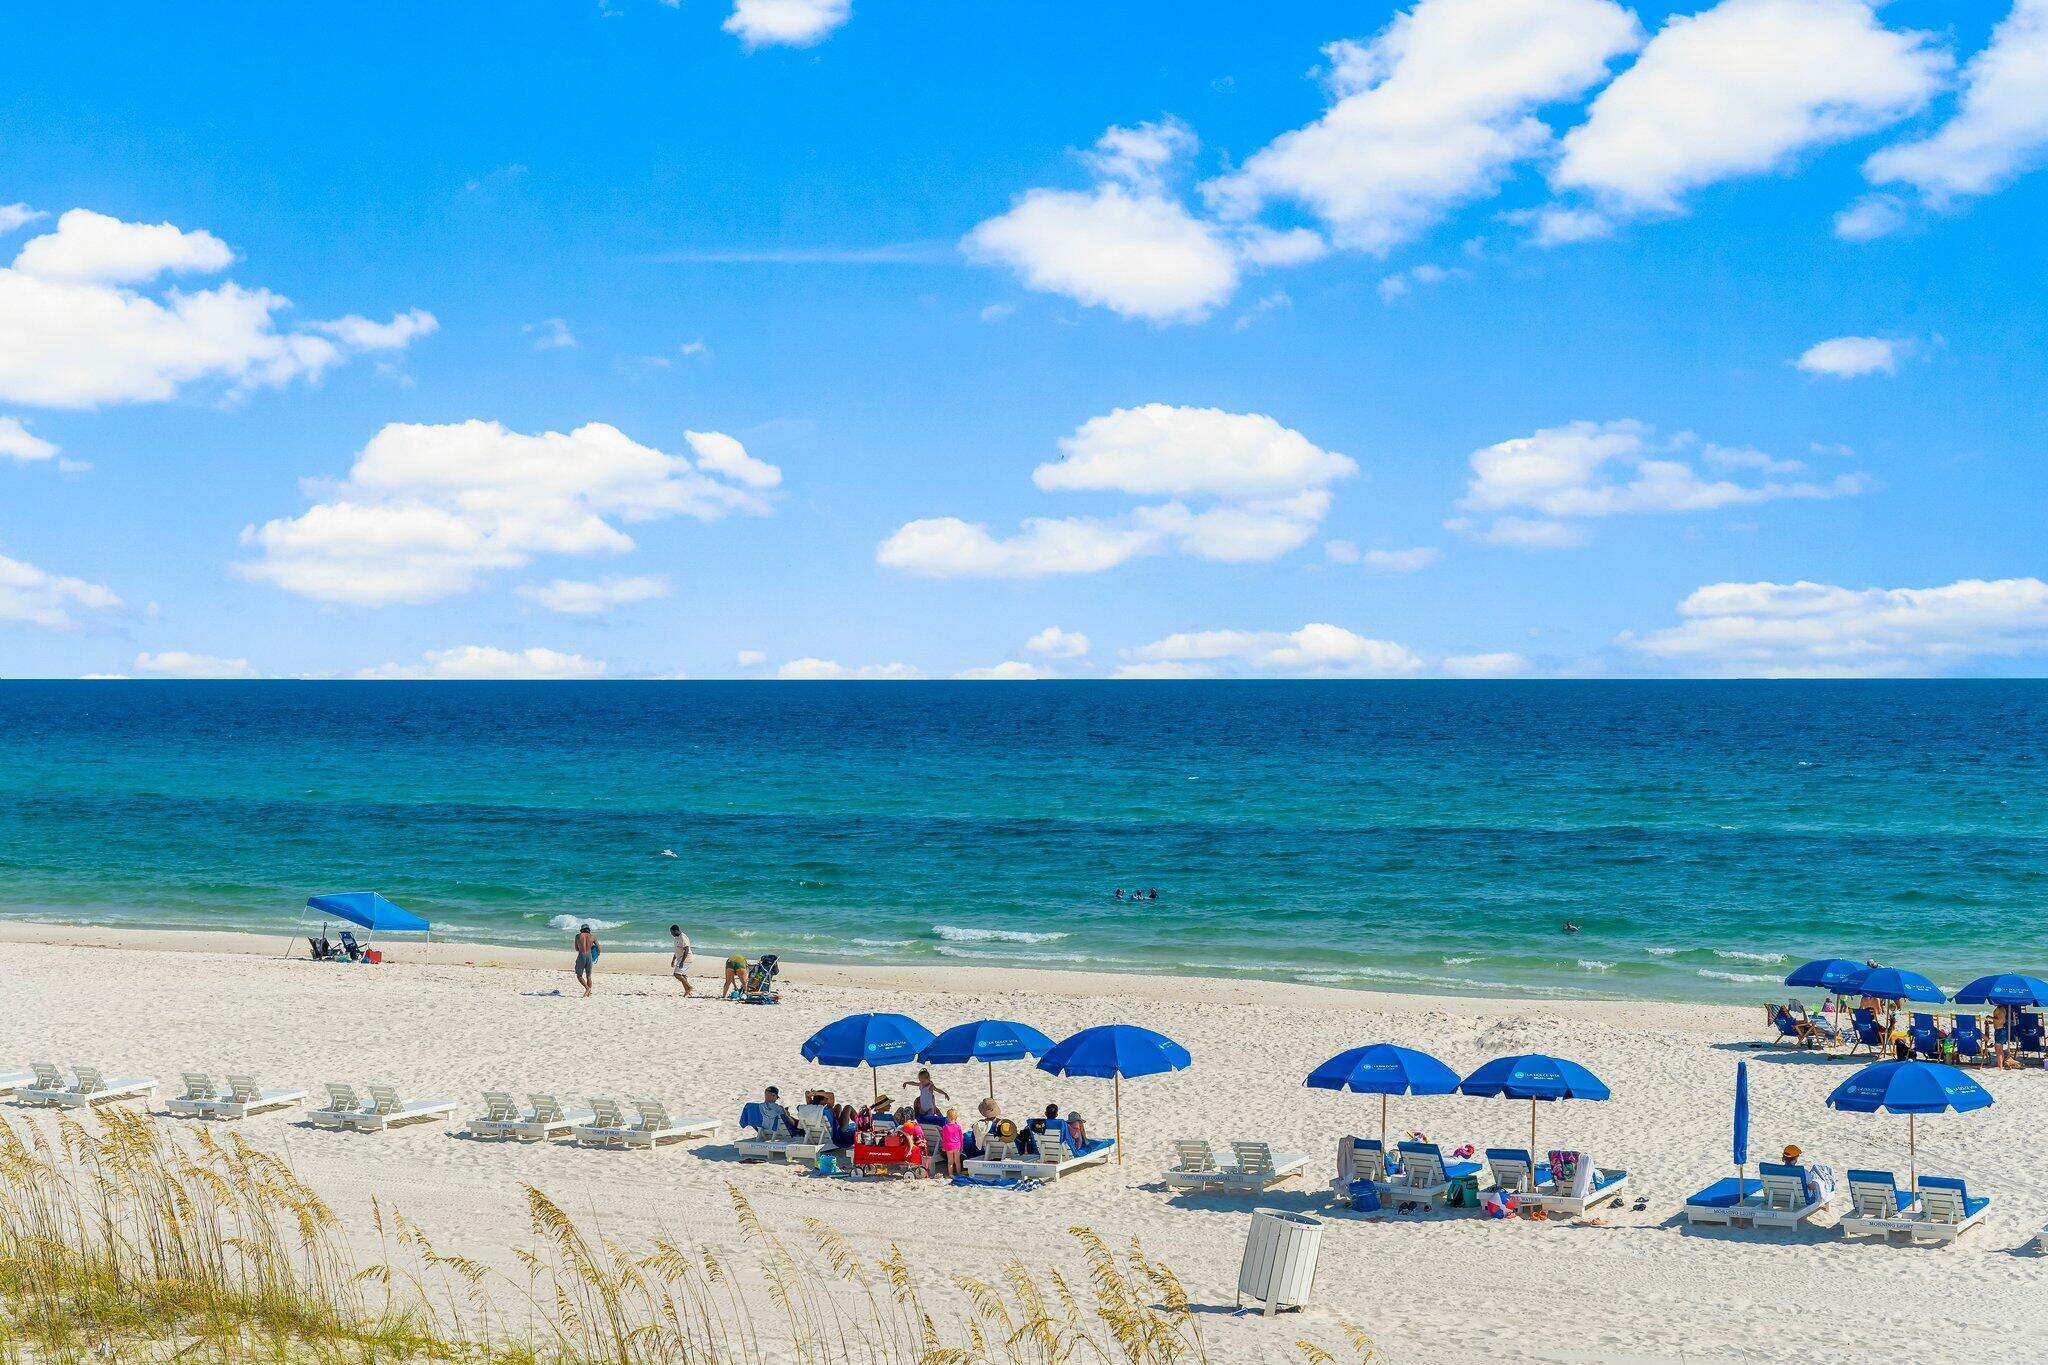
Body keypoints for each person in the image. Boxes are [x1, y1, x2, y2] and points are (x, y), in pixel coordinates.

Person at [573, 924, 598, 998]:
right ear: (588, 929)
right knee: (588, 976)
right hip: (589, 956)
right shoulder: (593, 937)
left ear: (581, 930)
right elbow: (599, 949)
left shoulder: (578, 936)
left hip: (581, 955)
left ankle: (587, 988)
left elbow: (576, 949)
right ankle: (589, 993)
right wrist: (596, 954)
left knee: (579, 975)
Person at [668, 925, 693, 996]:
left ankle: (689, 987)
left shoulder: (683, 937)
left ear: (675, 931)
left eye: (672, 932)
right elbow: (677, 950)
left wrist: (682, 961)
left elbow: (686, 949)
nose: (671, 934)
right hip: (680, 958)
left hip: (686, 958)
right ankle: (687, 991)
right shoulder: (677, 938)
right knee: (682, 975)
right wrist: (673, 960)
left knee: (676, 974)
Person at [940, 1108, 965, 1177]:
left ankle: (950, 1174)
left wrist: (944, 1147)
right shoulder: (958, 1127)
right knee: (957, 1162)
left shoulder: (945, 1127)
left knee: (950, 1162)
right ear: (956, 1117)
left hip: (949, 1146)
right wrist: (961, 1147)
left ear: (947, 1117)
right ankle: (959, 1174)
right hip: (957, 1146)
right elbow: (961, 1138)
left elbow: (944, 1138)